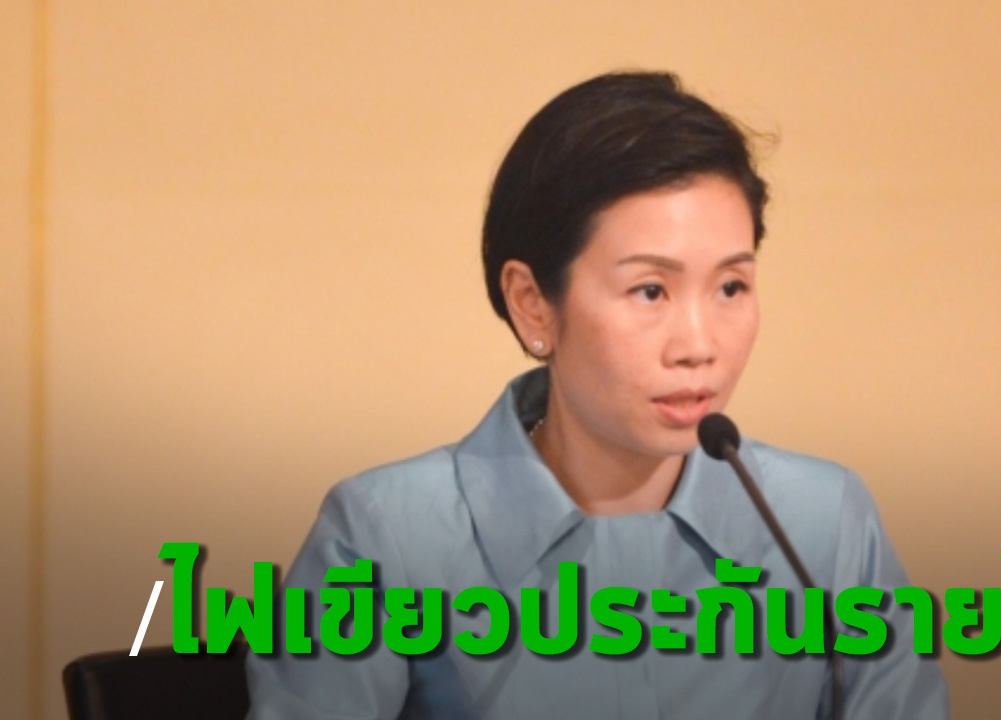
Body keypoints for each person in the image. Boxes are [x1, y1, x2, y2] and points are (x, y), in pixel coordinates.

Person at [245, 70, 949, 719]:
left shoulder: (822, 525)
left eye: (731, 286)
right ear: (532, 303)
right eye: (650, 290)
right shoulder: (386, 535)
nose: (698, 344)